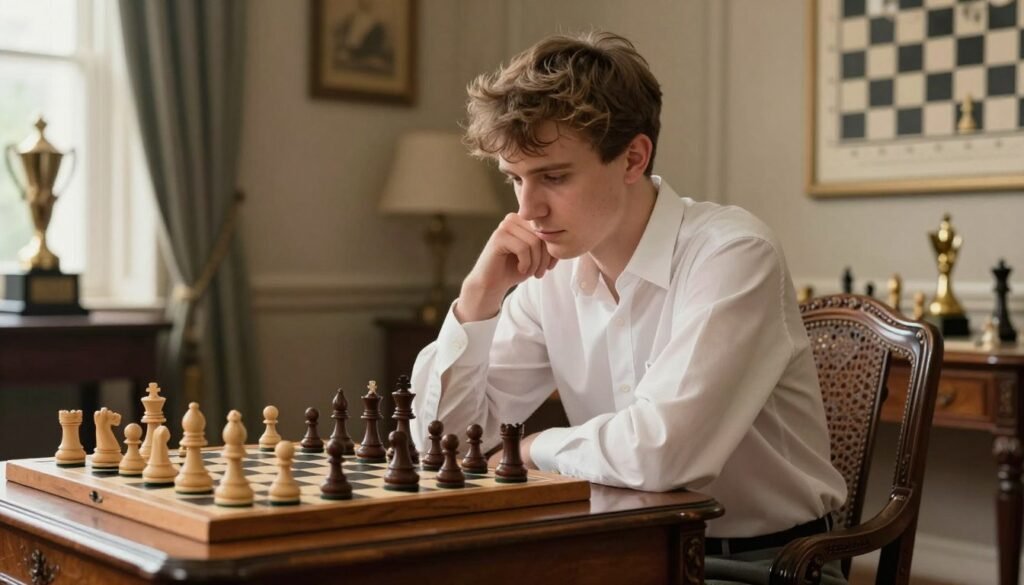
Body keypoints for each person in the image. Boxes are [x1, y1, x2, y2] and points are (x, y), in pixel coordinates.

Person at [408, 31, 847, 585]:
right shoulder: (552, 276)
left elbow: (664, 454)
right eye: (515, 179)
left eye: (554, 176)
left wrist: (535, 446)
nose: (528, 210)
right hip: (622, 552)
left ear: (633, 158)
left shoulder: (734, 254)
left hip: (763, 566)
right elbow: (441, 442)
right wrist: (476, 301)